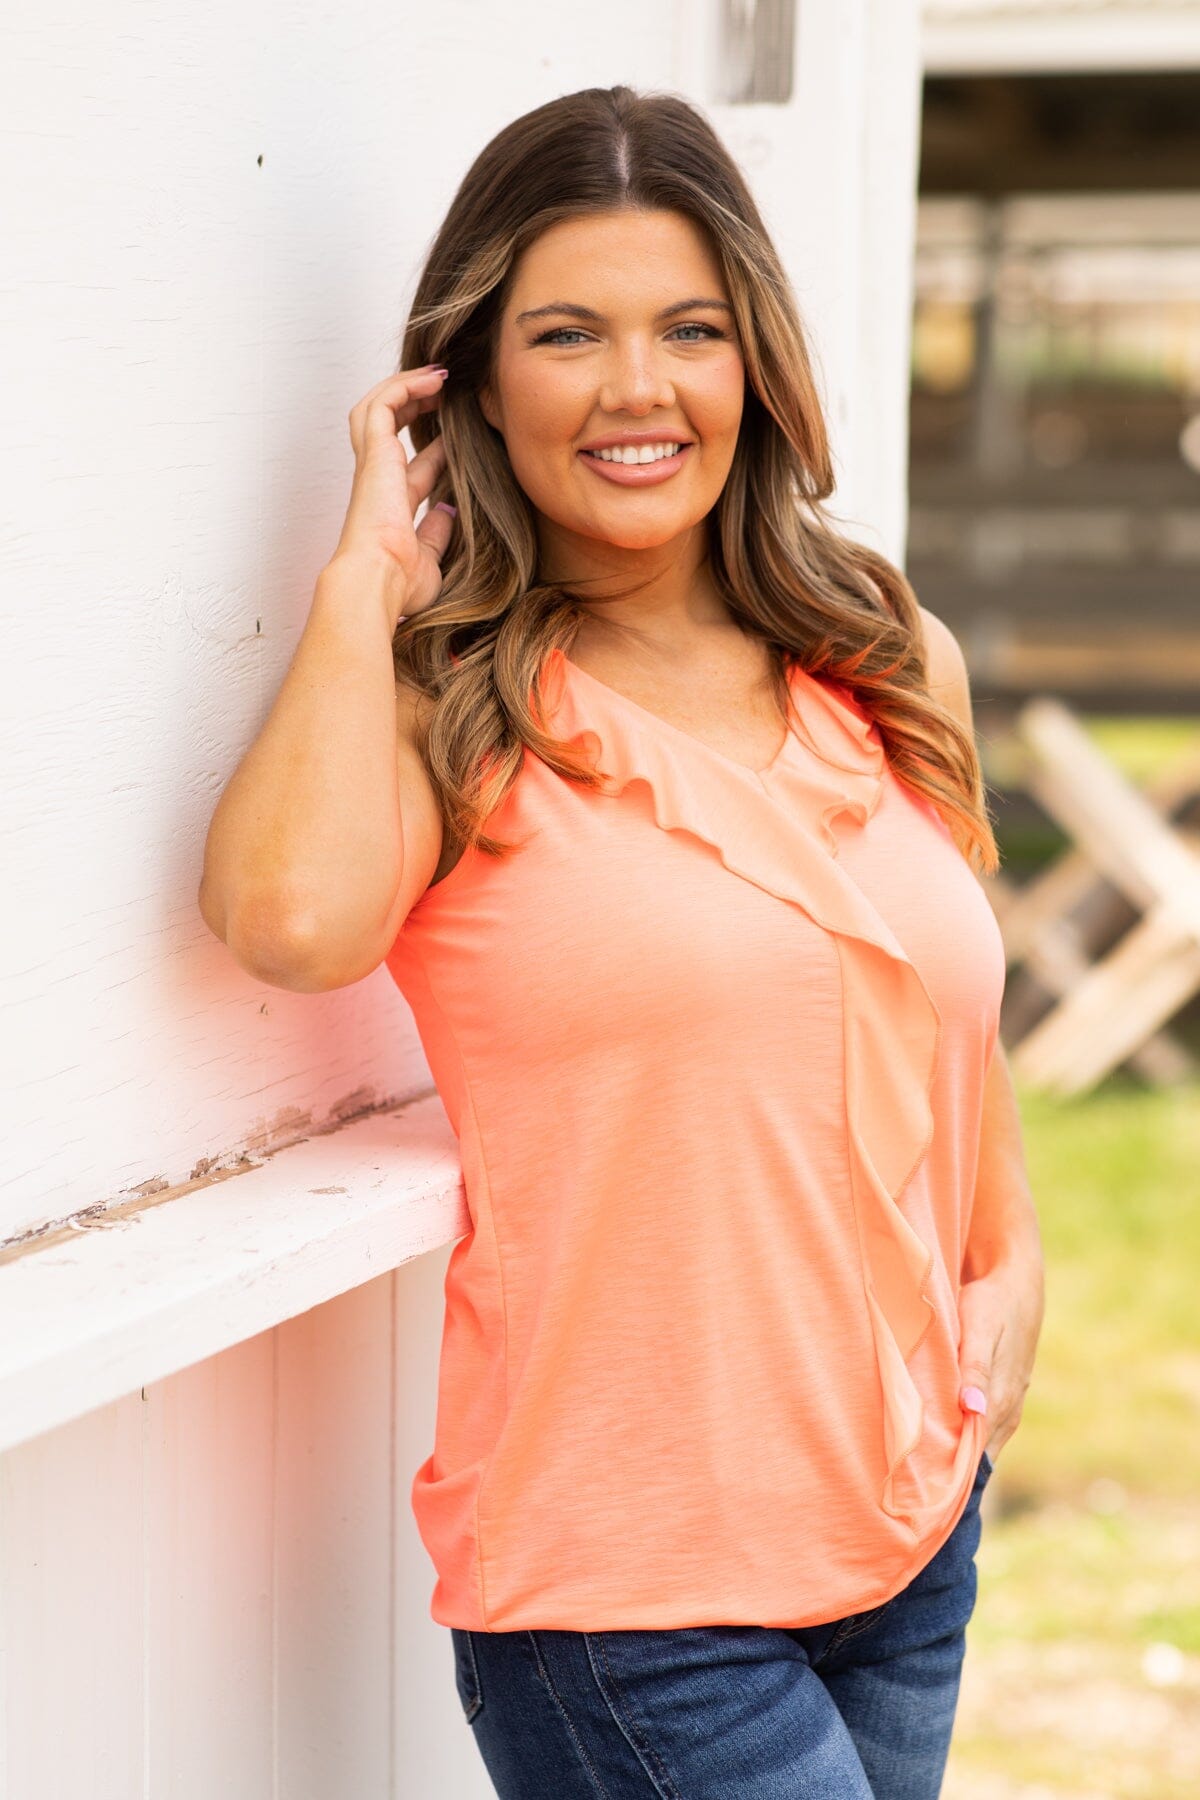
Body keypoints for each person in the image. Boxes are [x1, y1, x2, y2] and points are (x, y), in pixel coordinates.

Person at [199, 84, 1045, 1800]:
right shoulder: (455, 707)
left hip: (902, 1539)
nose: (639, 388)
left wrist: (1003, 1252)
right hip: (638, 1606)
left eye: (691, 330)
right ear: (475, 386)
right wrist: (367, 577)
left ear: (757, 362)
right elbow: (289, 924)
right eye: (567, 333)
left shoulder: (884, 659)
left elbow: (943, 1015)